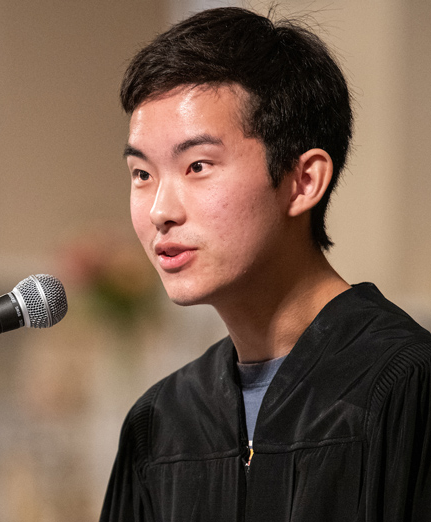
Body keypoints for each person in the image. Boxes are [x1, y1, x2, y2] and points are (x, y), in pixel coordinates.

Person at [100, 7, 431, 522]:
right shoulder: (161, 423)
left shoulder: (406, 388)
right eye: (141, 173)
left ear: (303, 181)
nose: (160, 210)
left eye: (197, 166)